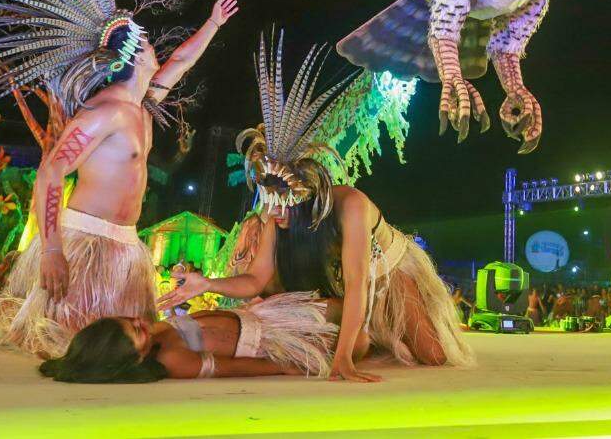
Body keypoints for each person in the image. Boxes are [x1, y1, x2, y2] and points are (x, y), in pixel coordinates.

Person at [0, 0, 239, 357]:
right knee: (65, 343)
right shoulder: (106, 112)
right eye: (145, 43)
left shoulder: (142, 108)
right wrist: (50, 251)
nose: (153, 48)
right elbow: (50, 173)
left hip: (125, 246)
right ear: (130, 56)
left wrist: (214, 24)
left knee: (134, 344)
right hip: (85, 239)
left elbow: (181, 62)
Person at [156, 33, 474, 381]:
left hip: (387, 273)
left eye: (282, 206)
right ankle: (368, 339)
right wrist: (206, 285)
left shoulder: (350, 205)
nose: (274, 214)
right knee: (361, 339)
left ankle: (379, 336)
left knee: (433, 355)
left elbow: (358, 286)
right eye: (269, 204)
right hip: (347, 282)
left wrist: (343, 361)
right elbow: (255, 279)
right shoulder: (273, 214)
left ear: (303, 195)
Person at [39, 291, 342, 382]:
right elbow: (229, 368)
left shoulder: (156, 330)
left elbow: (201, 322)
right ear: (137, 357)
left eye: (126, 320)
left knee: (342, 308)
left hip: (266, 316)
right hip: (272, 340)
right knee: (360, 343)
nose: (137, 320)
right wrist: (281, 366)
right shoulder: (172, 360)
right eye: (135, 331)